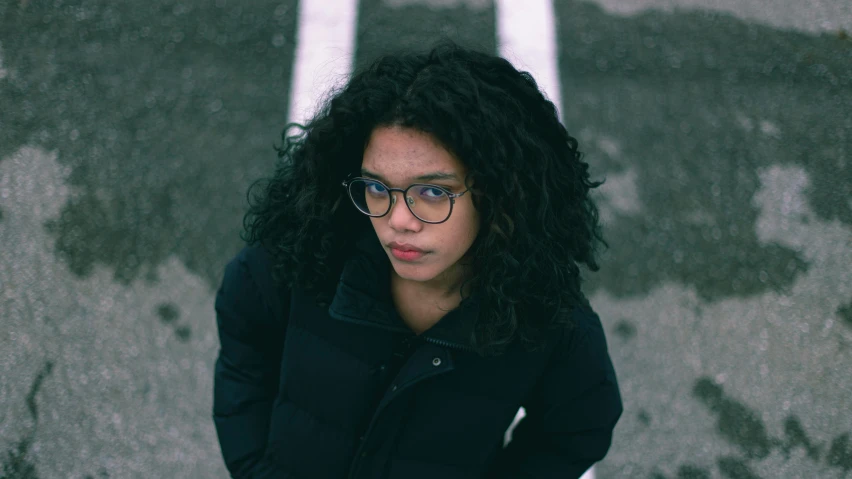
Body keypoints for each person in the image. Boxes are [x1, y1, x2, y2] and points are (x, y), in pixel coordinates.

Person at [212, 41, 622, 479]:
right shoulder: (295, 261)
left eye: (433, 192)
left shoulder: (546, 319)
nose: (398, 221)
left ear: (497, 194)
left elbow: (577, 428)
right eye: (377, 187)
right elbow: (244, 367)